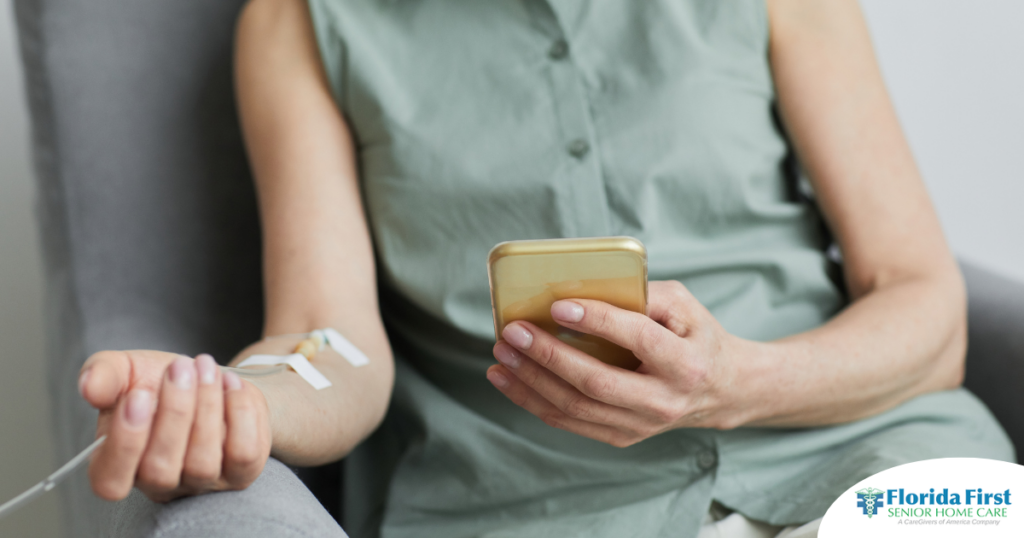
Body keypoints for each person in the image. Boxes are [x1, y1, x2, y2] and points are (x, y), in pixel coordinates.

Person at [76, 0, 1013, 537]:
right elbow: (328, 340)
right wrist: (239, 400)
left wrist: (738, 383)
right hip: (533, 511)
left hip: (878, 464)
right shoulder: (300, 22)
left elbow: (925, 309)